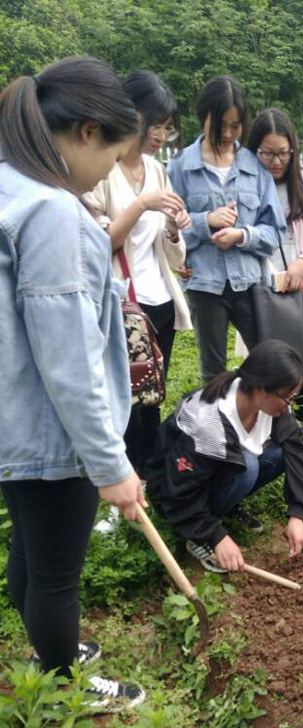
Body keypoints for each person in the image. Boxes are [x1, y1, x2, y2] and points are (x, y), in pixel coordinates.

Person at [0, 57, 147, 710]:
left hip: (15, 421)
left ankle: (48, 644)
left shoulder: (10, 187)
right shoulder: (52, 212)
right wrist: (110, 464)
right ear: (88, 132)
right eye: (113, 156)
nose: (110, 172)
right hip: (54, 428)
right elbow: (70, 357)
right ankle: (64, 682)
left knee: (31, 550)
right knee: (57, 571)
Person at [85, 70, 192, 477]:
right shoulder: (102, 169)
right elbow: (99, 244)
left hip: (160, 300)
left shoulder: (157, 170)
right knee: (123, 393)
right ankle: (124, 475)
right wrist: (142, 205)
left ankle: (149, 475)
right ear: (132, 116)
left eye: (168, 128)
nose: (162, 136)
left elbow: (170, 251)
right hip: (122, 303)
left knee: (152, 391)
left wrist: (173, 228)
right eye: (156, 125)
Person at [145, 340, 303, 573]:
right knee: (248, 467)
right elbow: (178, 494)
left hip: (208, 473)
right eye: (288, 397)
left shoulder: (266, 402)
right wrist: (215, 536)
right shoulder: (206, 423)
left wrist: (297, 513)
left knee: (281, 453)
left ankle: (224, 506)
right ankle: (199, 537)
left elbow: (297, 448)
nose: (289, 405)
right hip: (172, 490)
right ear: (260, 389)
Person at [167, 75, 286, 383]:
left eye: (236, 126)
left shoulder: (254, 167)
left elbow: (275, 232)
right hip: (204, 285)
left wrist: (241, 235)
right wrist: (205, 222)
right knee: (213, 374)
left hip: (250, 283)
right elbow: (168, 233)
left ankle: (260, 416)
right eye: (221, 126)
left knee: (267, 365)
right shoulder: (180, 168)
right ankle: (217, 416)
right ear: (203, 116)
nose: (229, 134)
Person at [247, 107, 303, 430]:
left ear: (293, 150)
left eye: (283, 153)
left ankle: (300, 423)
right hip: (262, 289)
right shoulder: (247, 189)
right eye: (267, 153)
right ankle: (266, 424)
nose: (276, 161)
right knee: (267, 357)